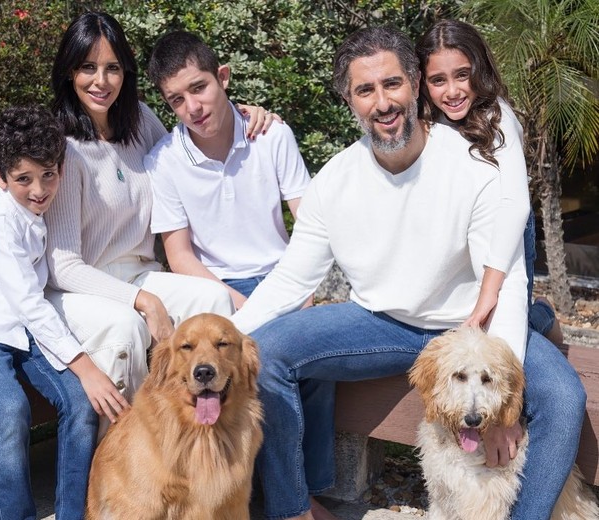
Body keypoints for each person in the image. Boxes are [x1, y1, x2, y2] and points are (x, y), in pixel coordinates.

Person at [230, 26, 586, 520]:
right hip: (378, 323)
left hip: (469, 326)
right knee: (265, 353)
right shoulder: (334, 180)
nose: (382, 102)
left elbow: (506, 282)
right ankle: (293, 510)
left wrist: (507, 408)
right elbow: (292, 280)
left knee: (565, 400)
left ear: (415, 84)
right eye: (365, 90)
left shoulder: (474, 166)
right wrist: (227, 333)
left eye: (392, 84)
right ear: (348, 100)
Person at [44, 12, 244, 429]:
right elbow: (62, 266)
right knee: (126, 332)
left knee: (214, 303)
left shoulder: (139, 119)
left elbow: (193, 145)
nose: (101, 81)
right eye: (88, 67)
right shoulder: (61, 144)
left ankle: (205, 440)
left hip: (141, 274)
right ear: (69, 72)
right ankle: (122, 455)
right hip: (81, 288)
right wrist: (142, 302)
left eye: (112, 68)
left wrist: (242, 115)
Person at [0, 104, 129, 520]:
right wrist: (86, 365)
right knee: (9, 409)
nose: (39, 189)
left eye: (49, 174)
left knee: (81, 404)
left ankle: (72, 513)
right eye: (23, 179)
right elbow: (28, 302)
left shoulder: (37, 213)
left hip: (29, 331)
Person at [416, 19, 563, 345]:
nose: (452, 91)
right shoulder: (425, 121)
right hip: (461, 235)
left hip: (507, 235)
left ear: (478, 70)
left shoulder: (498, 118)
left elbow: (515, 205)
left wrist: (488, 293)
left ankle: (543, 315)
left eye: (462, 75)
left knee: (505, 325)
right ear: (423, 83)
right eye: (438, 80)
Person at [144, 31, 311, 310]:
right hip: (215, 288)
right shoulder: (163, 162)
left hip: (283, 277)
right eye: (177, 100)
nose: (193, 107)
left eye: (199, 87)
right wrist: (246, 309)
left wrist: (304, 289)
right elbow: (180, 256)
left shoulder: (272, 135)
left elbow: (308, 222)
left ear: (223, 77)